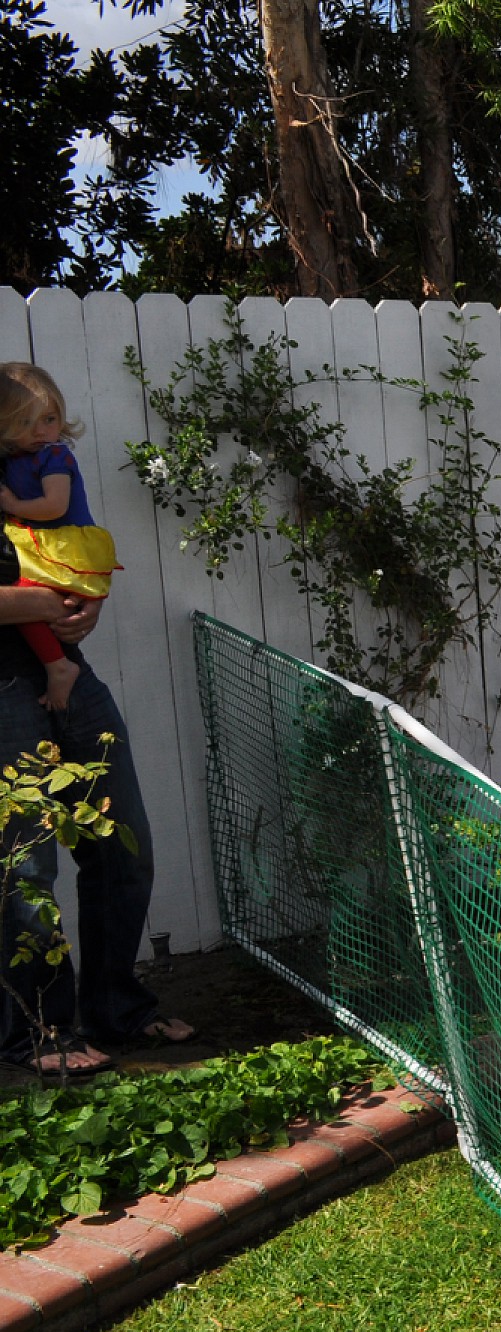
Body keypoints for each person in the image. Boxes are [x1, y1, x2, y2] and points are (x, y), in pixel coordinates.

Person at [0, 373, 188, 1075]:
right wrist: (40, 606)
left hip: (67, 670)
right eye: (28, 417)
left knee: (121, 844)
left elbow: (70, 559)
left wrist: (83, 605)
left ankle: (118, 1007)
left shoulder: (38, 470)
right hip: (5, 687)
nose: (41, 427)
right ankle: (41, 1032)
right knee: (27, 868)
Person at [0, 365, 123, 713]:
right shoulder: (16, 459)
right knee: (28, 590)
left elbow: (55, 506)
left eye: (49, 419)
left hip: (61, 542)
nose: (40, 431)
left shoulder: (53, 455)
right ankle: (57, 665)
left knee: (31, 588)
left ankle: (58, 666)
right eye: (25, 423)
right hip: (48, 544)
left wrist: (11, 504)